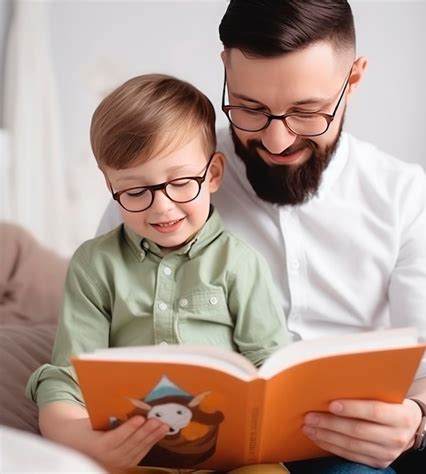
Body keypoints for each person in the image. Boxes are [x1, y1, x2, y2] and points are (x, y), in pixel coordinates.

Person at [97, 1, 426, 473]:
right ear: (227, 72)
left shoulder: (401, 192)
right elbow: (105, 341)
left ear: (352, 81)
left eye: (307, 112)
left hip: (388, 431)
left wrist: (415, 420)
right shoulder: (161, 187)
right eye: (250, 109)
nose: (277, 142)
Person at [26, 73, 290, 471]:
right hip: (133, 454)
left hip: (228, 454)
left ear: (213, 175)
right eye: (135, 192)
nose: (162, 208)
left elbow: (272, 365)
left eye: (182, 182)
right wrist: (80, 437)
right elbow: (69, 377)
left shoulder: (241, 263)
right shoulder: (95, 265)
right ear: (110, 185)